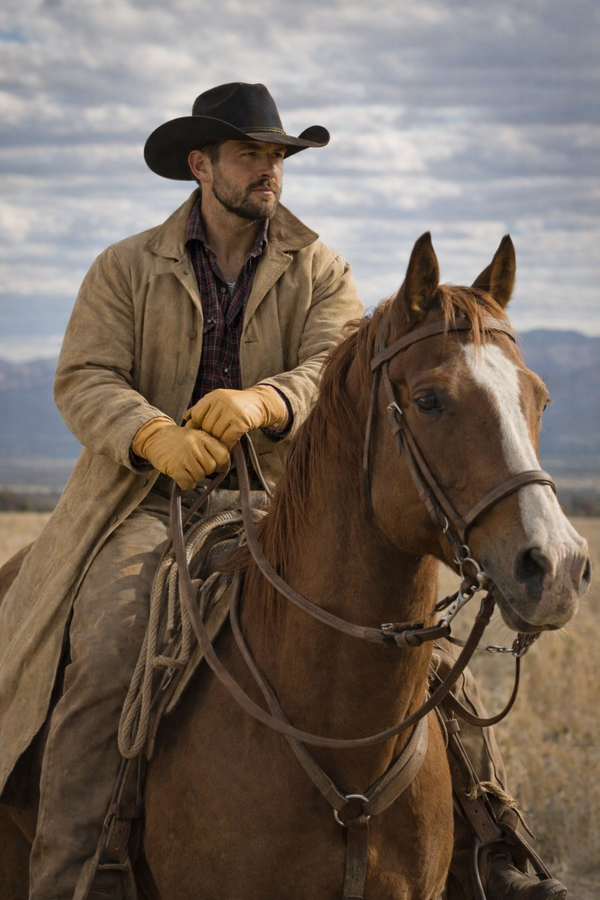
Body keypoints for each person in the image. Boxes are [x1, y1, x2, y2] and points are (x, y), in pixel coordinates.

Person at [0, 83, 566, 900]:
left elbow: (332, 367)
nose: (270, 171)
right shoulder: (125, 268)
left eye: (277, 157)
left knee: (426, 648)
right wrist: (152, 433)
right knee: (114, 644)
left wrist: (267, 403)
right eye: (251, 155)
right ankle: (78, 874)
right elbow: (85, 375)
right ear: (201, 165)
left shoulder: (320, 267)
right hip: (146, 503)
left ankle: (495, 849)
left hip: (279, 496)